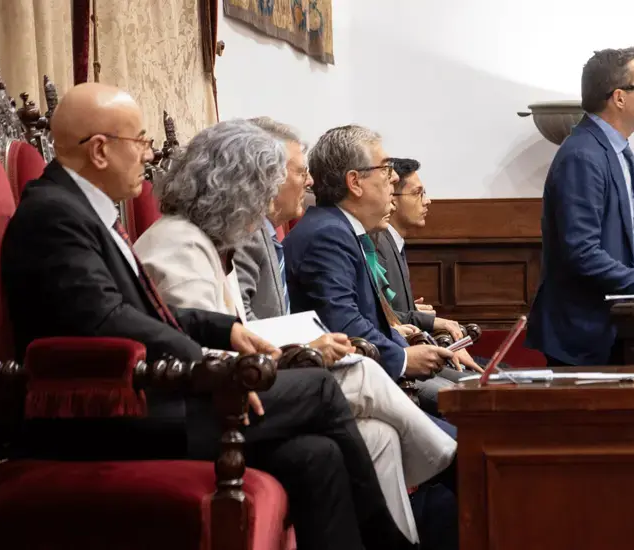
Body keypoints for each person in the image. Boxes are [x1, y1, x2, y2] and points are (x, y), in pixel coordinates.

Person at [0, 82, 415, 550]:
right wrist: (215, 369)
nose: (147, 154)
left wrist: (226, 330)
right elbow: (108, 323)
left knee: (313, 455)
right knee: (319, 387)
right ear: (99, 150)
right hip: (109, 412)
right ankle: (389, 542)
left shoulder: (81, 210)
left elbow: (147, 312)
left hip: (143, 394)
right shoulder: (54, 216)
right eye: (140, 141)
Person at [133, 118, 457, 544]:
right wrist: (296, 353)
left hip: (238, 388)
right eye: (265, 187)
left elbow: (236, 333)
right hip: (203, 406)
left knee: (368, 436)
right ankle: (451, 465)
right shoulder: (180, 244)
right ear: (239, 187)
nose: (272, 200)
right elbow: (201, 352)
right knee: (356, 374)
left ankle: (400, 535)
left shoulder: (210, 242)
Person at [525, 47, 634, 367]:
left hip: (618, 327)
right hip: (584, 334)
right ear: (619, 98)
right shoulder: (582, 155)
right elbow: (581, 252)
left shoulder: (617, 150)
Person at [280, 125, 460, 417]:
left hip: (365, 371)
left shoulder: (340, 228)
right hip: (339, 384)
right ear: (355, 182)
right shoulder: (328, 234)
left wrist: (403, 343)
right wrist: (402, 358)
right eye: (386, 170)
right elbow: (343, 321)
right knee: (461, 435)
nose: (394, 180)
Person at [371, 157, 483, 377]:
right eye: (418, 193)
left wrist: (414, 310)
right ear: (392, 199)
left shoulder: (394, 242)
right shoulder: (377, 244)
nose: (427, 201)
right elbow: (383, 319)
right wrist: (429, 320)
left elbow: (392, 310)